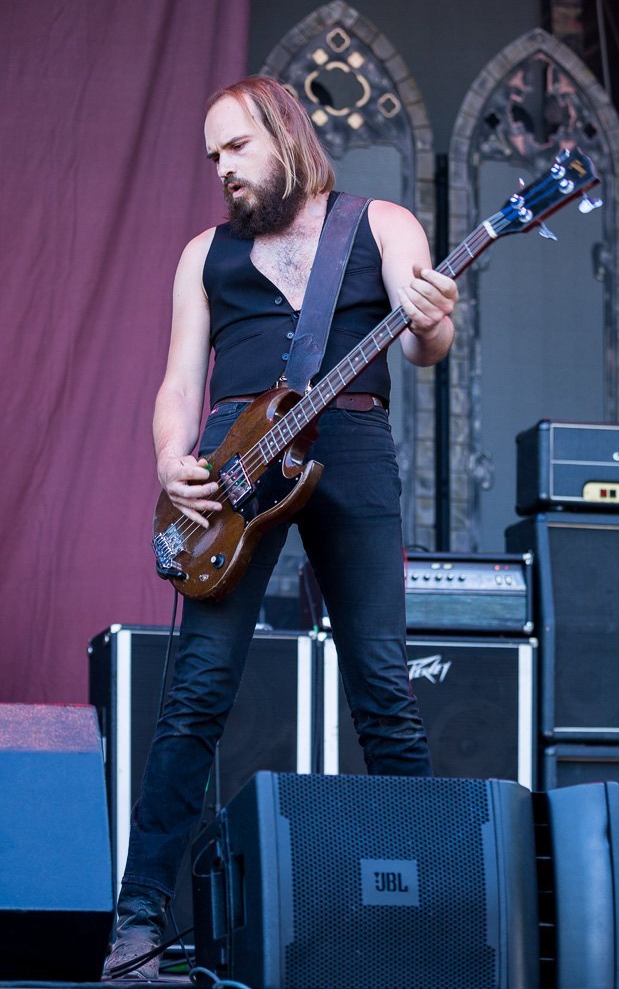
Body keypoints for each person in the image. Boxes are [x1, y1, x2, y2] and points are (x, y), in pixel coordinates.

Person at [104, 75, 458, 978]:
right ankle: (138, 922)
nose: (222, 168)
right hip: (233, 460)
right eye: (212, 156)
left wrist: (434, 324)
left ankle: (431, 920)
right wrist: (170, 458)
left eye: (236, 147)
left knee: (384, 686)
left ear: (287, 135)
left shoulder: (381, 225)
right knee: (196, 693)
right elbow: (179, 381)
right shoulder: (203, 255)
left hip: (352, 442)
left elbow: (425, 345)